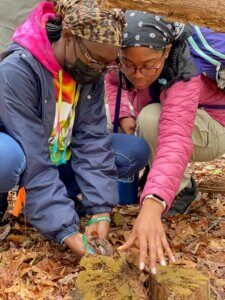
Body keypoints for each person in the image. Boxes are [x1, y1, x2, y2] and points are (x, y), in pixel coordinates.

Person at [0, 2, 150, 256]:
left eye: (107, 64)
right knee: (6, 160)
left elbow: (92, 139)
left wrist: (100, 210)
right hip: (22, 155)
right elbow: (34, 156)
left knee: (133, 150)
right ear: (68, 36)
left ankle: (64, 195)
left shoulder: (90, 70)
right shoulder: (17, 70)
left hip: (59, 153)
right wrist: (66, 231)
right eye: (94, 60)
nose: (99, 70)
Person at [106, 10, 225, 273]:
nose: (138, 74)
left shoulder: (184, 73)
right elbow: (113, 80)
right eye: (129, 64)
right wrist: (124, 113)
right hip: (173, 117)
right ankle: (157, 178)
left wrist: (153, 203)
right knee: (114, 118)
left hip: (214, 126)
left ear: (167, 50)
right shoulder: (121, 60)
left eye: (149, 65)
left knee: (150, 119)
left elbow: (175, 138)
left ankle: (182, 190)